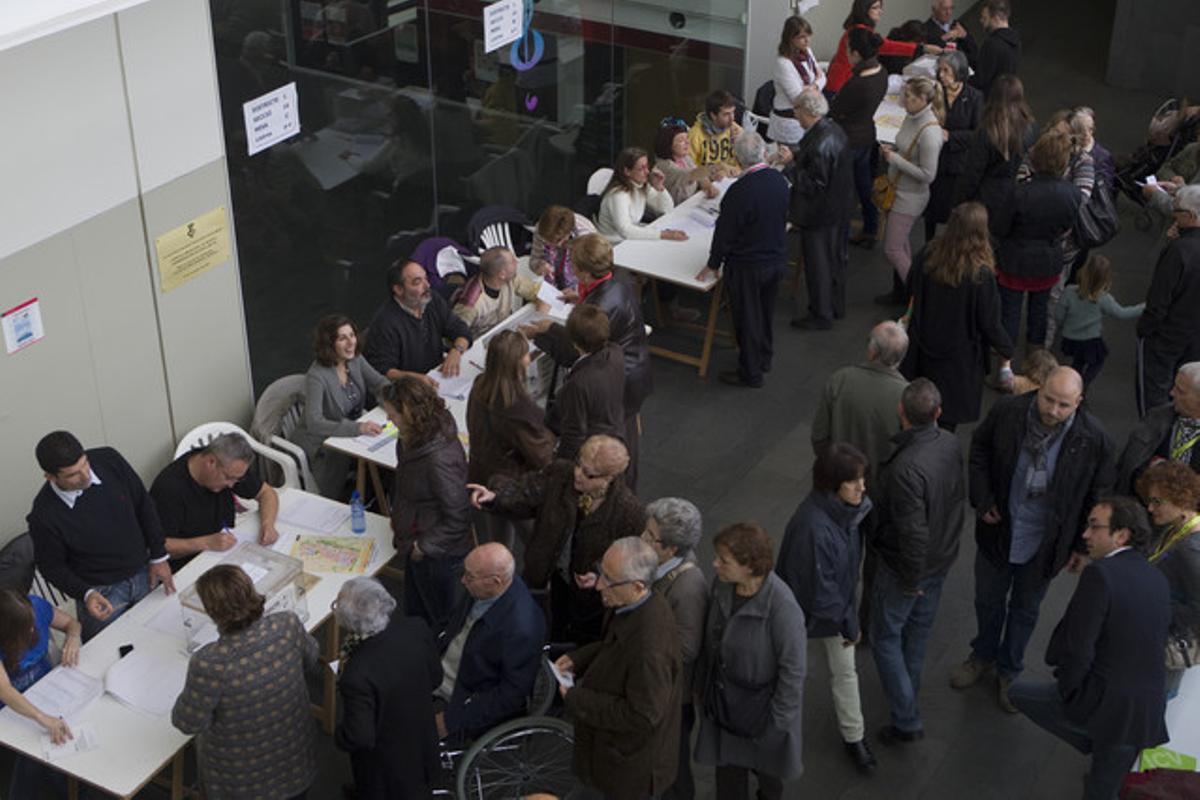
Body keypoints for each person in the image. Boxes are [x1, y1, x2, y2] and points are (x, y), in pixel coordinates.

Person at [952, 367, 1115, 713]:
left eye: (1064, 405)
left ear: (1079, 403)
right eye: (1048, 399)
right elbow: (979, 450)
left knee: (1025, 610)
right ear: (1038, 390)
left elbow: (1097, 497)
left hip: (1045, 546)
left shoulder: (1093, 439)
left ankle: (1009, 670)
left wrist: (1080, 548)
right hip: (1000, 533)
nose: (1053, 411)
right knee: (987, 600)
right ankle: (982, 655)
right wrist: (983, 498)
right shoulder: (1008, 411)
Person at [1008, 497, 1170, 800]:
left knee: (1018, 694)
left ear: (1121, 535)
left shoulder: (1101, 575)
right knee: (1103, 788)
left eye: (1095, 527)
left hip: (1105, 706)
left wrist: (1072, 694)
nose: (1085, 535)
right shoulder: (1156, 577)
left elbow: (1079, 647)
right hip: (1144, 713)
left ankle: (1091, 736)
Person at [468, 435, 645, 645]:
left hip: (584, 591)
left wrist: (600, 574)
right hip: (546, 570)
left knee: (570, 632)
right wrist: (495, 498)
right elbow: (526, 493)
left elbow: (629, 556)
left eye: (589, 474)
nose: (578, 474)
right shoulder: (560, 473)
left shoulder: (628, 511)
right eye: (579, 464)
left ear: (609, 478)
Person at [870, 380, 966, 743]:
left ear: (901, 412)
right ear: (938, 413)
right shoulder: (950, 444)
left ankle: (906, 717)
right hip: (941, 558)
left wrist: (911, 581)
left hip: (906, 568)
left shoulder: (905, 467)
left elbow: (912, 533)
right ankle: (907, 694)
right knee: (918, 635)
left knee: (886, 637)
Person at [171, 565, 318, 800]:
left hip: (241, 783)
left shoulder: (210, 663)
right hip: (294, 761)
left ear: (212, 611)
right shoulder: (287, 625)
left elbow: (187, 722)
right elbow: (311, 658)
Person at [553, 537, 682, 800]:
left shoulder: (650, 648)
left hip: (630, 769)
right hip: (618, 758)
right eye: (602, 572)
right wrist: (581, 657)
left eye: (609, 579)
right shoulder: (634, 604)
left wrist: (577, 698)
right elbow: (614, 643)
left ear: (637, 586)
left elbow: (642, 715)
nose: (599, 584)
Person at [776, 444, 875, 773]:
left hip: (833, 607)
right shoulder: (814, 528)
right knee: (795, 674)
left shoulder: (844, 512)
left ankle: (854, 735)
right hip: (807, 614)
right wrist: (850, 621)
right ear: (833, 484)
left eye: (862, 479)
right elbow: (819, 590)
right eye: (854, 482)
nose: (862, 487)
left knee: (843, 672)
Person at [527, 234, 652, 487]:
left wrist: (545, 331)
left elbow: (579, 349)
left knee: (611, 443)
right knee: (626, 435)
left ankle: (616, 490)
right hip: (636, 368)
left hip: (618, 381)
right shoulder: (620, 279)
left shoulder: (601, 305)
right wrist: (581, 299)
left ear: (583, 273)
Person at [695, 523, 807, 799]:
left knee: (768, 776)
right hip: (726, 703)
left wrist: (777, 723)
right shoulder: (723, 586)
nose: (715, 564)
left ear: (750, 567)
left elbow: (793, 671)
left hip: (761, 712)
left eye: (724, 560)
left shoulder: (783, 608)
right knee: (729, 778)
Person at [27, 431, 173, 642]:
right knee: (108, 649)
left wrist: (159, 556)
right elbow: (52, 567)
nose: (86, 475)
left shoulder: (109, 459)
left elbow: (143, 503)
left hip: (144, 571)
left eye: (85, 464)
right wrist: (85, 593)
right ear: (50, 477)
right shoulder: (44, 515)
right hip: (102, 592)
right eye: (73, 475)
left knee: (161, 635)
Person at [901, 201, 1014, 428]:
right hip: (958, 361)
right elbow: (989, 322)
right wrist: (1006, 349)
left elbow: (910, 288)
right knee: (945, 423)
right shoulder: (980, 274)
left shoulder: (928, 254)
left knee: (916, 413)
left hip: (923, 349)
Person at [696, 132, 791, 388]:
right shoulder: (779, 180)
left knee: (747, 318)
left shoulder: (740, 191)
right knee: (765, 312)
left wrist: (713, 263)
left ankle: (750, 372)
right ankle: (764, 357)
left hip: (748, 265)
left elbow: (725, 233)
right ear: (762, 153)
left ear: (738, 158)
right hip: (776, 258)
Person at [334, 577, 442, 800]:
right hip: (420, 737)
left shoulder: (356, 674)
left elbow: (360, 736)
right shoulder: (416, 628)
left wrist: (340, 735)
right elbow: (436, 678)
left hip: (385, 766)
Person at [380, 376, 472, 632]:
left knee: (435, 620)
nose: (389, 421)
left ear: (409, 414)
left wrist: (424, 546)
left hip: (436, 554)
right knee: (417, 612)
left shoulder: (437, 459)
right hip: (416, 541)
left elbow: (458, 515)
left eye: (393, 415)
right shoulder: (410, 437)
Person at [435, 543, 545, 741]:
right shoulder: (484, 590)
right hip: (445, 669)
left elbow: (510, 696)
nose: (462, 581)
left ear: (495, 581)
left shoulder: (522, 628)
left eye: (469, 577)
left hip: (462, 696)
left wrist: (452, 720)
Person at [995, 129, 1082, 361]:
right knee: (1040, 314)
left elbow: (1000, 228)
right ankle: (1035, 363)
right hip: (1048, 261)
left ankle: (1004, 366)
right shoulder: (1073, 193)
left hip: (1014, 261)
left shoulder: (1020, 192)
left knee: (1009, 314)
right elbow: (1067, 227)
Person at [642, 498, 708, 800]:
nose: (643, 539)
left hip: (673, 697)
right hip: (661, 686)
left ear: (670, 549)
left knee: (674, 765)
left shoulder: (688, 587)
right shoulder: (663, 567)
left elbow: (685, 650)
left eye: (650, 537)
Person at [466, 329, 555, 544]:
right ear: (516, 363)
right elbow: (540, 454)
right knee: (533, 537)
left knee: (499, 529)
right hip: (512, 481)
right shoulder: (517, 407)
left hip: (483, 471)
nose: (528, 357)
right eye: (525, 354)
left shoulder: (479, 384)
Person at [292, 314, 389, 497]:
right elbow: (315, 422)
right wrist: (357, 428)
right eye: (342, 338)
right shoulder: (317, 375)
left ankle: (375, 498)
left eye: (352, 335)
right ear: (329, 344)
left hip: (350, 436)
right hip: (322, 443)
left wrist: (395, 403)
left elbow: (379, 383)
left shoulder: (356, 359)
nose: (351, 342)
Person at [150, 433, 280, 569]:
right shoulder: (169, 489)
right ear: (210, 462)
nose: (231, 485)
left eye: (237, 479)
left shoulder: (230, 466)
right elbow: (159, 546)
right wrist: (205, 542)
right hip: (189, 565)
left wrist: (268, 525)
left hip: (226, 549)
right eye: (228, 478)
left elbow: (267, 493)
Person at [0, 589, 82, 799]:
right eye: (25, 628)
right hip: (13, 709)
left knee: (67, 736)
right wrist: (41, 717)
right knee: (36, 752)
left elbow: (71, 623)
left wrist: (73, 637)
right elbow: (5, 691)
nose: (32, 629)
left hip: (51, 690)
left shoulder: (35, 606)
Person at [812, 321, 909, 489]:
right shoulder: (907, 396)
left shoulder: (840, 379)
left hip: (839, 481)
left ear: (872, 352)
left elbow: (819, 437)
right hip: (881, 490)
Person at [788, 90, 854, 331]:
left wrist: (790, 168)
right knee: (835, 260)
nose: (795, 115)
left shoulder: (819, 143)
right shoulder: (834, 131)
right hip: (839, 208)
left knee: (818, 266)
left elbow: (814, 183)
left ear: (806, 111)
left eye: (796, 109)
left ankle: (820, 314)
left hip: (819, 214)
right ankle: (835, 306)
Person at [878, 76, 944, 305]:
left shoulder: (930, 133)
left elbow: (928, 175)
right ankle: (912, 293)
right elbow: (906, 145)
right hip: (899, 191)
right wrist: (894, 149)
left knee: (893, 249)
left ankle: (920, 295)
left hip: (910, 197)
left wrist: (895, 159)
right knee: (902, 245)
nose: (903, 100)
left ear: (923, 99)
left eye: (908, 96)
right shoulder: (912, 116)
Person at [1137, 462, 1200, 694]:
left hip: (1165, 650)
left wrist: (1156, 601)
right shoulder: (1176, 529)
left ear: (1181, 499)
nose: (1150, 508)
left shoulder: (1192, 549)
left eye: (1157, 502)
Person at [1137, 185, 1200, 415]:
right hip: (1195, 340)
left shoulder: (1179, 251)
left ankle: (1152, 444)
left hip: (1166, 338)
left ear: (1191, 216)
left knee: (1154, 398)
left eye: (1177, 210)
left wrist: (1145, 330)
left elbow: (1158, 299)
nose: (1173, 213)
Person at [952, 74, 1036, 239]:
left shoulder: (988, 131)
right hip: (1016, 194)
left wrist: (958, 203)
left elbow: (972, 173)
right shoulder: (1030, 127)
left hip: (987, 199)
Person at [363, 259, 473, 382]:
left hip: (436, 375)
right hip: (407, 388)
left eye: (426, 278)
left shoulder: (432, 299)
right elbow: (383, 371)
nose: (427, 286)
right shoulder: (385, 323)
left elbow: (461, 331)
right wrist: (415, 378)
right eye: (417, 282)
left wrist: (456, 351)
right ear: (399, 290)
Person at [829, 27, 889, 250]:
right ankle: (871, 228)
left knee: (842, 191)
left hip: (848, 140)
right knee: (864, 185)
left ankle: (839, 240)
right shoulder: (881, 72)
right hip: (867, 135)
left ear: (855, 53)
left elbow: (835, 109)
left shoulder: (857, 84)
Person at [547, 304, 625, 462]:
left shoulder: (579, 383)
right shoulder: (616, 352)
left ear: (574, 343)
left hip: (592, 451)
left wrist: (559, 466)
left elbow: (574, 433)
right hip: (614, 431)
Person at [1052, 254, 1144, 387]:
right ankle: (1083, 385)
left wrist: (1065, 326)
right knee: (1098, 361)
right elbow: (1122, 313)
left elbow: (1058, 315)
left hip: (1070, 338)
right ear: (1105, 278)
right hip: (1090, 340)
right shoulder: (1103, 298)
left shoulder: (1069, 291)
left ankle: (1073, 384)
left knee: (1078, 362)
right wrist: (1145, 306)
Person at [925, 50, 984, 241]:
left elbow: (978, 133)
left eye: (946, 70)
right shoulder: (934, 93)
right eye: (939, 70)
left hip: (957, 164)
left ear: (959, 72)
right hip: (934, 159)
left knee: (953, 209)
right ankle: (929, 241)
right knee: (931, 208)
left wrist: (950, 135)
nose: (941, 75)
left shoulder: (974, 97)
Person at [1116, 362, 1200, 494]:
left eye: (1180, 391)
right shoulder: (1156, 418)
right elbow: (1128, 468)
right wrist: (1153, 469)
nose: (1171, 393)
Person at [826, 0, 940, 95]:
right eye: (875, 8)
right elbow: (886, 46)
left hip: (844, 83)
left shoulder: (861, 29)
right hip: (841, 85)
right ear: (864, 10)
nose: (880, 12)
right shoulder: (860, 31)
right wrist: (922, 48)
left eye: (880, 8)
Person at [452, 246, 545, 338]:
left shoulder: (511, 279)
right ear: (502, 274)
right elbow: (456, 335)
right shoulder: (470, 303)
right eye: (512, 261)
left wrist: (541, 307)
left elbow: (536, 291)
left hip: (504, 330)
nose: (517, 261)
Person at [597, 147, 685, 242]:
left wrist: (660, 188)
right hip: (615, 243)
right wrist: (663, 235)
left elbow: (667, 209)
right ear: (627, 171)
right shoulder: (618, 195)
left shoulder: (640, 186)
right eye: (641, 168)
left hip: (629, 237)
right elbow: (625, 230)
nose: (647, 172)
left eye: (647, 166)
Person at [768, 16, 826, 147]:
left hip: (807, 119)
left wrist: (812, 86)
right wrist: (816, 85)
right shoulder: (783, 63)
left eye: (808, 35)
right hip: (789, 123)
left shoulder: (807, 52)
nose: (807, 40)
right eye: (802, 37)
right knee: (790, 162)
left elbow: (823, 77)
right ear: (790, 38)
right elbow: (798, 98)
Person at [654, 118, 720, 205]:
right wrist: (719, 166)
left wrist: (708, 186)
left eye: (687, 138)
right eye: (681, 140)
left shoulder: (685, 158)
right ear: (668, 144)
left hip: (690, 204)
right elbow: (692, 174)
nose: (687, 142)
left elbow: (700, 177)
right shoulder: (664, 166)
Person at [529, 205, 596, 290]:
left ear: (568, 233)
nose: (551, 245)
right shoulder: (541, 230)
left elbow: (594, 273)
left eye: (556, 241)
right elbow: (533, 261)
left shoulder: (586, 236)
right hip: (554, 286)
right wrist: (540, 266)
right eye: (547, 242)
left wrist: (578, 294)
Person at [970, 0, 1021, 98]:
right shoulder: (1015, 41)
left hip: (990, 102)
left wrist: (960, 79)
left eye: (984, 18)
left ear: (996, 18)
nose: (981, 21)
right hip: (1006, 98)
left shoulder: (992, 44)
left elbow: (980, 80)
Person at [688, 89, 744, 174]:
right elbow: (690, 170)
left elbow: (748, 160)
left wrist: (741, 140)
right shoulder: (695, 135)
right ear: (713, 115)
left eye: (733, 112)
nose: (732, 118)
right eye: (726, 114)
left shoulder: (734, 128)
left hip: (733, 177)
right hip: (709, 181)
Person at [922, 0, 977, 65]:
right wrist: (943, 38)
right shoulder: (925, 29)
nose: (949, 12)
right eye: (945, 9)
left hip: (964, 67)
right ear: (934, 10)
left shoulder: (957, 24)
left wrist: (965, 36)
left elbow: (974, 50)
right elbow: (927, 53)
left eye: (951, 8)